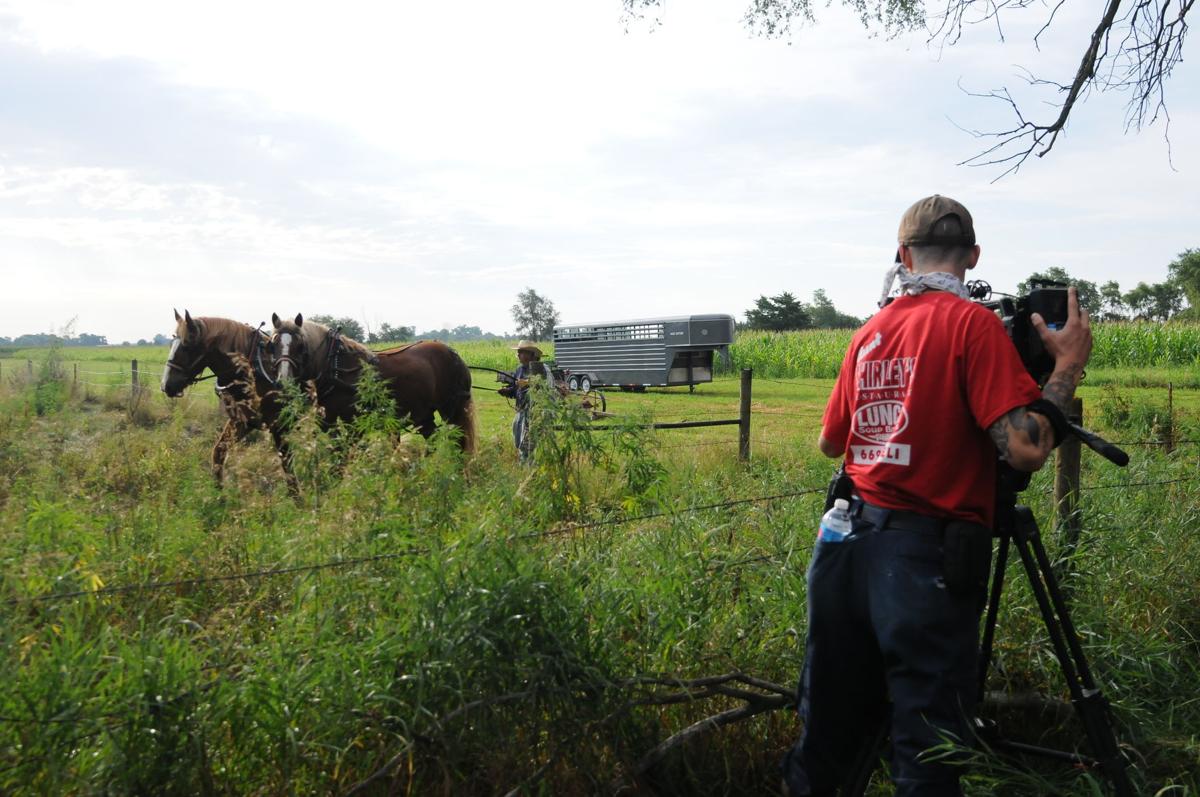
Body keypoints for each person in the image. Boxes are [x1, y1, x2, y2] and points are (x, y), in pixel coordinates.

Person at [781, 195, 1093, 796]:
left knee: (827, 733)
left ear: (902, 255)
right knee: (927, 744)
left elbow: (830, 442)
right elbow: (1025, 449)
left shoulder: (869, 332)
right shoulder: (971, 325)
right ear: (973, 256)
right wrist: (1065, 370)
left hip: (844, 550)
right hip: (923, 561)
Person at [499, 340, 555, 463]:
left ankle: (529, 469)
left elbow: (546, 387)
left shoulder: (542, 369)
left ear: (531, 355)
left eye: (521, 352)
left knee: (528, 445)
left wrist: (529, 383)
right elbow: (516, 390)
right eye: (518, 352)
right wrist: (507, 391)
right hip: (521, 412)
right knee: (519, 442)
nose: (519, 355)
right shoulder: (519, 369)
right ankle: (525, 468)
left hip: (536, 413)